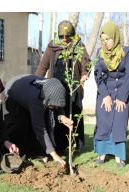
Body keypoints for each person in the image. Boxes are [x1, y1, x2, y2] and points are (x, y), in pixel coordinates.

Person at [36, 20, 90, 154]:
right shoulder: (52, 46)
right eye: (62, 36)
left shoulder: (79, 46)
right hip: (56, 88)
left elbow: (86, 63)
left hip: (73, 88)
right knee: (57, 115)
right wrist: (36, 81)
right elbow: (43, 66)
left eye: (68, 36)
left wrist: (84, 74)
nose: (65, 39)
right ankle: (58, 145)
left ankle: (74, 145)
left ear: (72, 34)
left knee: (74, 114)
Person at [1, 74, 73, 167]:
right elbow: (40, 129)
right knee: (20, 125)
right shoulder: (34, 99)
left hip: (25, 87)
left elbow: (56, 101)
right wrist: (55, 155)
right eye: (54, 105)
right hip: (13, 91)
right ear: (47, 98)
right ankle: (10, 153)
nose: (56, 107)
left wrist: (62, 117)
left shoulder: (51, 87)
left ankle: (37, 152)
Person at [93, 21, 129, 168]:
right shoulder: (100, 53)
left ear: (115, 38)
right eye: (103, 40)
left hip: (122, 92)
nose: (105, 43)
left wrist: (122, 98)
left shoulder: (126, 52)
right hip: (105, 92)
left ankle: (119, 155)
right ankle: (102, 153)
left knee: (119, 121)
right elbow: (97, 75)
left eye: (108, 39)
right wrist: (105, 95)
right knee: (104, 120)